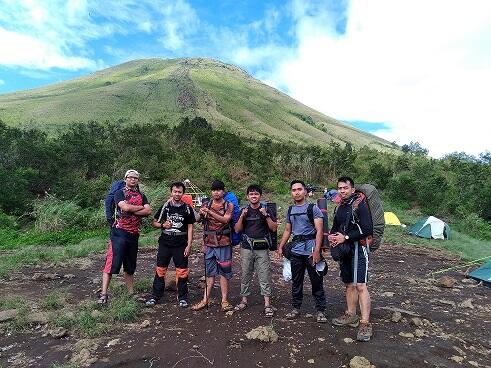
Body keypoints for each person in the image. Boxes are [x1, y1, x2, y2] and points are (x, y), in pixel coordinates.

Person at [328, 176, 373, 342]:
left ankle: (365, 323)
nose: (342, 191)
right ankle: (351, 314)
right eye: (339, 188)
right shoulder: (340, 207)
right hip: (345, 250)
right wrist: (333, 238)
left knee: (361, 285)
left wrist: (345, 237)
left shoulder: (359, 204)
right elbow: (335, 227)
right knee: (348, 284)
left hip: (359, 249)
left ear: (352, 189)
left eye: (345, 188)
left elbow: (367, 229)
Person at [276, 180, 327, 323]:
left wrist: (317, 251)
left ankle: (320, 310)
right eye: (294, 190)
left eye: (299, 189)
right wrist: (281, 246)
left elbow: (319, 230)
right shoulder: (290, 210)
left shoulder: (313, 208)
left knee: (316, 280)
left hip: (311, 250)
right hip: (296, 251)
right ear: (291, 193)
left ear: (305, 191)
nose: (297, 192)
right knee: (296, 281)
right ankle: (296, 308)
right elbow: (287, 230)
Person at [99, 169, 151, 304]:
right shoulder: (119, 193)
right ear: (125, 179)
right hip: (119, 233)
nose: (133, 180)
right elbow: (125, 208)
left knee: (130, 265)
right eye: (130, 177)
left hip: (134, 234)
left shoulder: (142, 194)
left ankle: (130, 293)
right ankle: (104, 293)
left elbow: (148, 211)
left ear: (138, 180)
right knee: (111, 263)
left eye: (135, 178)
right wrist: (139, 208)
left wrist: (131, 207)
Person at [145, 181, 196, 308]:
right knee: (160, 270)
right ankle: (155, 296)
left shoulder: (187, 208)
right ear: (171, 192)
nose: (177, 194)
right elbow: (154, 223)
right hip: (165, 242)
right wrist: (163, 225)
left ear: (183, 193)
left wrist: (189, 244)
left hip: (181, 243)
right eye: (175, 191)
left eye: (179, 192)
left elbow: (190, 227)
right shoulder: (165, 206)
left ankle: (183, 297)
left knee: (182, 271)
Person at [233, 184, 278, 317]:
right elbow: (237, 229)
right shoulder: (244, 210)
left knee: (264, 275)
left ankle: (267, 304)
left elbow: (274, 228)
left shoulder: (266, 209)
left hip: (262, 249)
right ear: (247, 196)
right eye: (251, 194)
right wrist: (242, 216)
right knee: (245, 274)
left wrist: (266, 216)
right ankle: (244, 300)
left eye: (256, 194)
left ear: (260, 196)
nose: (254, 196)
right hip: (247, 248)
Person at [191, 180, 234, 312]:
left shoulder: (228, 205)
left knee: (224, 272)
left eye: (218, 190)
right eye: (214, 190)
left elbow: (226, 220)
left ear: (223, 191)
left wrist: (209, 212)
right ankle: (205, 299)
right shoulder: (206, 203)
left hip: (223, 243)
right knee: (209, 273)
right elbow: (198, 220)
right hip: (209, 243)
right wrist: (201, 213)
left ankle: (224, 300)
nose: (216, 192)